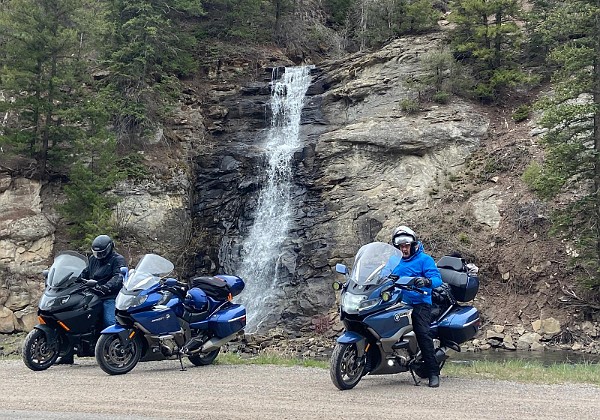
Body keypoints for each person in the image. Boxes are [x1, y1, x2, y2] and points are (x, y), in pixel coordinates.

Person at [57, 234, 126, 365]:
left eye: (102, 252)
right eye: (97, 253)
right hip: (91, 293)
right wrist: (71, 280)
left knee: (109, 321)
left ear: (110, 248)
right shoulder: (93, 259)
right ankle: (67, 354)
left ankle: (116, 352)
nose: (99, 255)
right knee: (72, 317)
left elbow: (118, 277)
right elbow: (85, 273)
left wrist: (105, 287)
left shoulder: (118, 260)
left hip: (109, 296)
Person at [390, 225, 443, 388]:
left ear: (413, 245)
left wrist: (427, 281)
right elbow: (380, 274)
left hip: (420, 302)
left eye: (406, 245)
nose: (403, 249)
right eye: (400, 246)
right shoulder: (394, 261)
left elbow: (437, 279)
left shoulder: (424, 259)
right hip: (398, 301)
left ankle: (433, 373)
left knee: (422, 333)